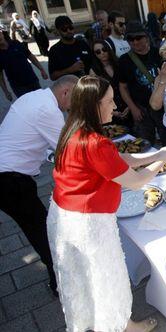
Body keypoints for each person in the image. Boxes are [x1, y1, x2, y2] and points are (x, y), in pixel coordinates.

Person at [48, 75, 166, 331]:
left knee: (81, 277)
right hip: (88, 223)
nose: (115, 106)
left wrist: (155, 154)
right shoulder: (94, 142)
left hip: (65, 215)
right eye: (109, 101)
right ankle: (123, 325)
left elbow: (115, 159)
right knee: (105, 276)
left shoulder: (73, 129)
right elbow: (135, 181)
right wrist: (161, 161)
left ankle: (88, 321)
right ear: (93, 105)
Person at [0, 75, 78, 297]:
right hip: (10, 181)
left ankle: (59, 278)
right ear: (65, 93)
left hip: (10, 176)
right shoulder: (49, 110)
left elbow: (40, 142)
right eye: (75, 98)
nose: (74, 106)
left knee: (40, 228)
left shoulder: (35, 98)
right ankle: (60, 285)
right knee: (43, 232)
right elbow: (70, 149)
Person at [118, 21, 162, 143]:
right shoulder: (124, 60)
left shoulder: (158, 53)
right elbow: (122, 86)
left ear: (146, 37)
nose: (135, 42)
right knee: (145, 144)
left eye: (138, 37)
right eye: (131, 39)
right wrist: (132, 108)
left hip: (162, 106)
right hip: (141, 109)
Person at [89, 39, 130, 128]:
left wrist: (129, 106)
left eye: (104, 49)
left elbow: (129, 86)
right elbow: (96, 97)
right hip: (109, 113)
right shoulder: (94, 71)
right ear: (94, 55)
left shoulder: (119, 64)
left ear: (108, 49)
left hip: (128, 107)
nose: (102, 53)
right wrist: (112, 111)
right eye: (98, 52)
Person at [0, 29, 47, 99]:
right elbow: (0, 76)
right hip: (18, 87)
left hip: (32, 79)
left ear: (2, 33)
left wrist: (41, 69)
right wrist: (6, 92)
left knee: (40, 100)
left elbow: (30, 56)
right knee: (27, 106)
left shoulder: (15, 43)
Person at [48, 16, 92, 80]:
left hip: (89, 83)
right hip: (70, 86)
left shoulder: (83, 43)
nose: (68, 31)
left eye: (71, 28)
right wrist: (70, 70)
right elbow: (53, 76)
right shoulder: (54, 50)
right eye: (64, 29)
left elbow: (93, 62)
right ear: (58, 31)